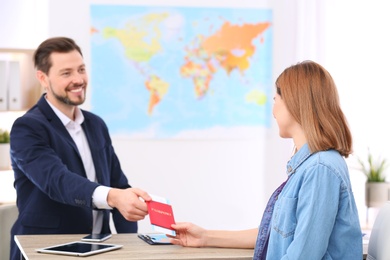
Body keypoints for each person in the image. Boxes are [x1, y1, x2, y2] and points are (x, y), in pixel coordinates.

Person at [170, 61, 363, 259]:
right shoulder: (309, 167)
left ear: (295, 102)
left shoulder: (320, 169)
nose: (273, 111)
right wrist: (205, 237)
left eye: (275, 99)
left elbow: (304, 255)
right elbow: (273, 235)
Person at [9, 37, 151, 260]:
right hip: (45, 250)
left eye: (81, 69)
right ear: (43, 78)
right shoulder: (27, 128)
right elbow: (57, 181)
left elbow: (118, 185)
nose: (78, 79)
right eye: (66, 73)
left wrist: (132, 246)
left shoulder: (95, 124)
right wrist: (114, 197)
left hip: (98, 249)